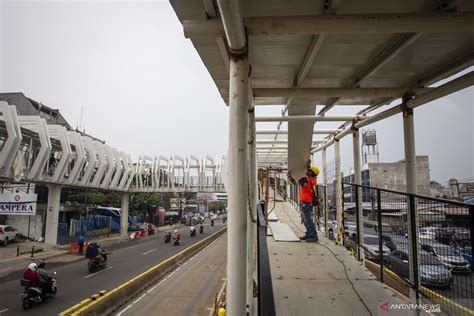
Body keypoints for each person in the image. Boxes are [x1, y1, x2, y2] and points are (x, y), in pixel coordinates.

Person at [288, 165, 320, 242]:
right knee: (306, 220)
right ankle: (309, 234)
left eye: (309, 170)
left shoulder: (306, 180)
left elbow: (296, 183)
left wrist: (290, 177)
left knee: (308, 220)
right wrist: (307, 166)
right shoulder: (313, 180)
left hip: (306, 203)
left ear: (312, 173)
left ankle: (313, 236)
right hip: (307, 202)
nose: (307, 171)